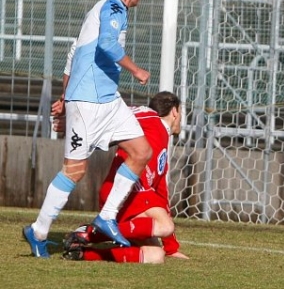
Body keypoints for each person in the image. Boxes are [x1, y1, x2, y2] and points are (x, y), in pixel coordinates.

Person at [23, 0, 152, 258]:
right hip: (90, 103)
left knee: (141, 151)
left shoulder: (102, 10)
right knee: (75, 170)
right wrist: (136, 70)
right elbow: (107, 45)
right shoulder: (114, 9)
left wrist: (64, 96)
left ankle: (106, 216)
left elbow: (74, 53)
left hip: (107, 100)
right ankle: (38, 231)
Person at [60, 91, 188, 264]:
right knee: (165, 226)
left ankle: (83, 254)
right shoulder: (150, 117)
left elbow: (161, 193)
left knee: (154, 256)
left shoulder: (161, 140)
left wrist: (170, 248)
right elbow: (123, 113)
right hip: (126, 193)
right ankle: (88, 233)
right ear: (175, 111)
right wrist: (75, 122)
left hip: (139, 199)